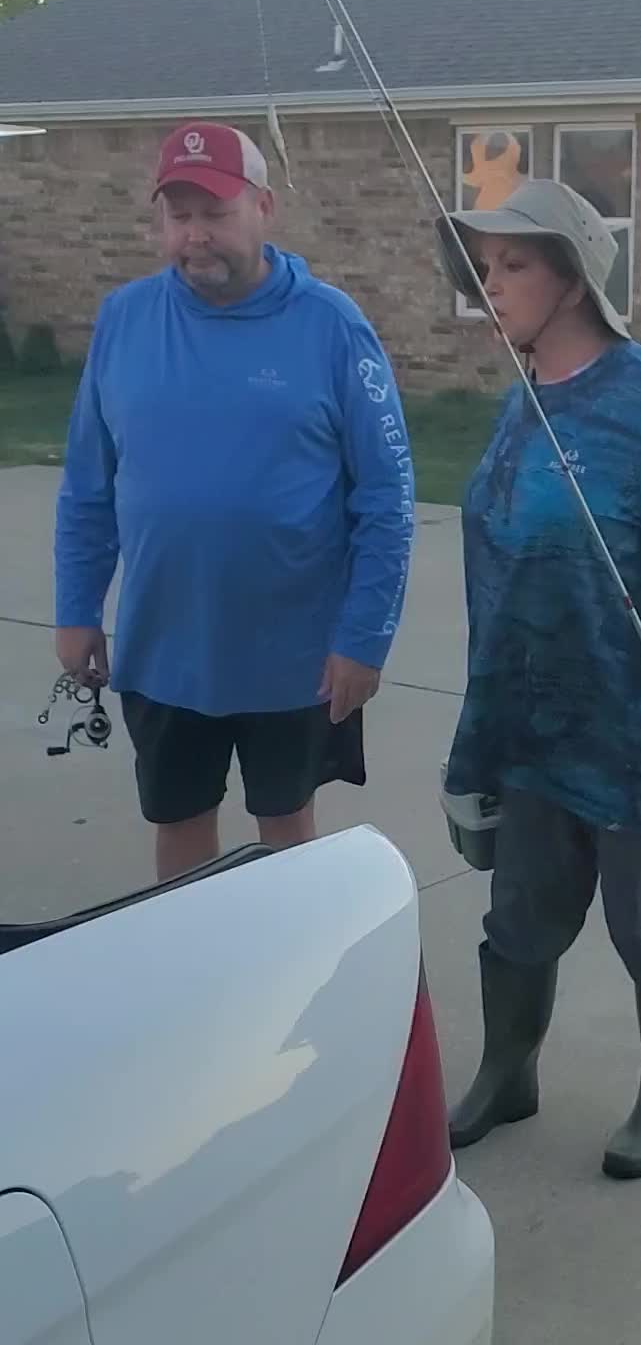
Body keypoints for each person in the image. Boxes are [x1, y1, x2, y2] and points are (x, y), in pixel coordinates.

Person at [434, 180, 641, 1182]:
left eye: (514, 265)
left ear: (574, 280)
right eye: (484, 268)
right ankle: (508, 1072)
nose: (491, 286)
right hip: (533, 726)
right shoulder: (522, 401)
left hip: (636, 738)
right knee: (519, 920)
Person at [54, 121, 414, 883]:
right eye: (179, 215)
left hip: (295, 660)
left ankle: (292, 957)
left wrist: (365, 636)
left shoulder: (332, 326)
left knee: (286, 832)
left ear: (264, 208)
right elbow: (88, 485)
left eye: (215, 213)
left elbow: (387, 498)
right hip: (164, 649)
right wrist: (76, 608)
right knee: (180, 829)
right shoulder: (124, 319)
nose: (196, 236)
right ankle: (192, 956)